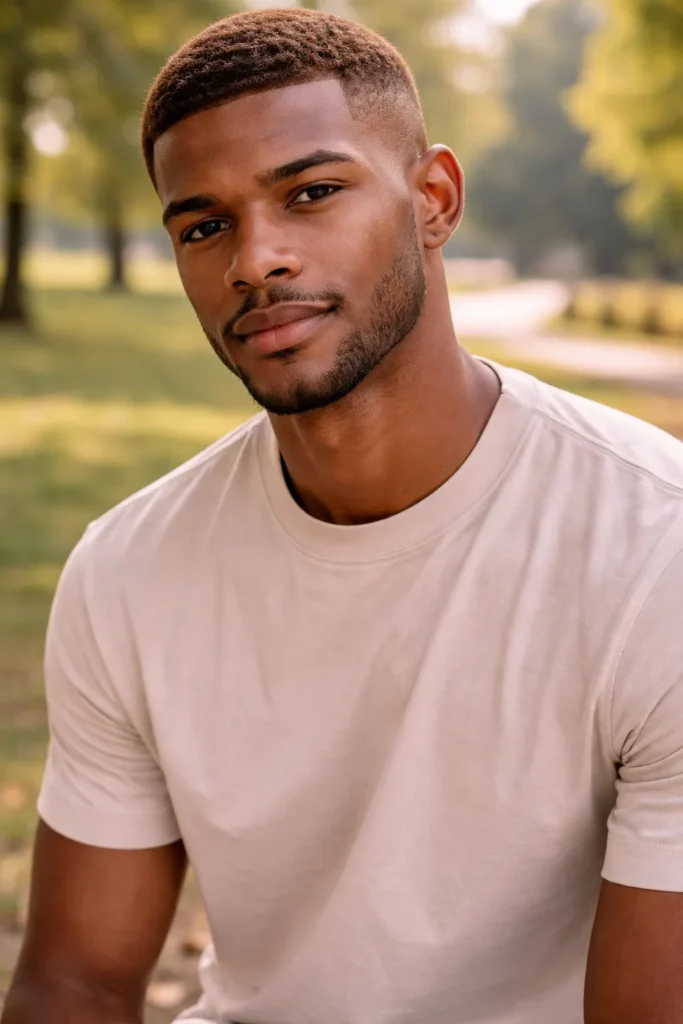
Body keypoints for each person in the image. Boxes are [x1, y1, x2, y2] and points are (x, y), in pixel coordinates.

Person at [5, 8, 683, 1024]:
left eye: (311, 193)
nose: (255, 259)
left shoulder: (654, 550)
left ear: (432, 200)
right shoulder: (130, 570)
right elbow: (77, 983)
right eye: (204, 225)